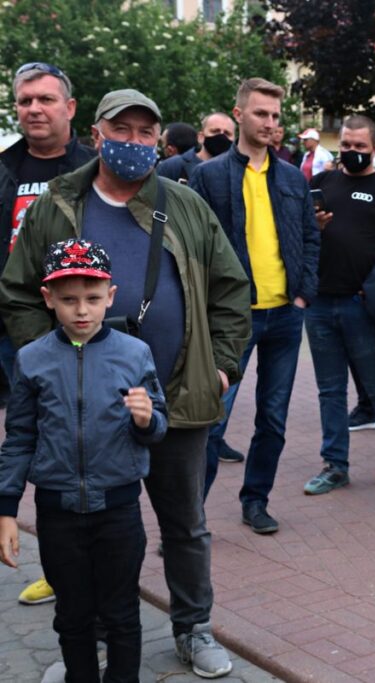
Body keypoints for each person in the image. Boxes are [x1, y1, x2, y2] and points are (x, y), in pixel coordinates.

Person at [0, 87, 251, 679]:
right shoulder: (59, 202)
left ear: (158, 141)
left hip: (178, 395)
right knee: (92, 530)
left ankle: (193, 628)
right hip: (84, 410)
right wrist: (50, 364)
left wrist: (220, 368)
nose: (133, 143)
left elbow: (230, 290)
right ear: (97, 133)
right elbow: (17, 291)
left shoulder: (185, 205)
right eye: (122, 130)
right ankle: (93, 642)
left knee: (184, 523)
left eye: (144, 133)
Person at [0, 238, 167, 682]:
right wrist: (6, 510)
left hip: (118, 510)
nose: (82, 311)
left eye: (93, 299)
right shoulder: (32, 360)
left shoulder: (134, 354)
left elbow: (158, 425)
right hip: (57, 513)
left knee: (121, 613)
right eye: (69, 300)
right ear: (48, 298)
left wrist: (147, 420)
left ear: (110, 296)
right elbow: (18, 437)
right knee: (72, 615)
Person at [190, 78, 319, 534]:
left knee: (274, 417)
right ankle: (191, 517)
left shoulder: (290, 177)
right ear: (239, 114)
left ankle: (255, 500)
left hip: (285, 315)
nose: (270, 123)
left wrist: (304, 292)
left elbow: (308, 235)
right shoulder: (208, 176)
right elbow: (196, 246)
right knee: (210, 420)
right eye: (261, 113)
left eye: (275, 115)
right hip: (232, 320)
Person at [0, 63, 96, 608]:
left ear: (70, 107)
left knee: (81, 448)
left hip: (82, 331)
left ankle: (85, 573)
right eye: (24, 101)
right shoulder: (5, 169)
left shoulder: (93, 168)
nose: (33, 109)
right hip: (17, 333)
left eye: (44, 99)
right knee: (32, 446)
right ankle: (55, 565)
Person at [302, 114, 375, 494]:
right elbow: (306, 236)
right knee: (330, 389)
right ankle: (334, 464)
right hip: (321, 302)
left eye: (359, 146)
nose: (352, 152)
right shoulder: (321, 183)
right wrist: (315, 227)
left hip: (363, 305)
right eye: (346, 146)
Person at [157, 112, 235, 184]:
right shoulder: (172, 166)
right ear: (201, 137)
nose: (221, 136)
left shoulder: (237, 170)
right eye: (215, 131)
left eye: (227, 133)